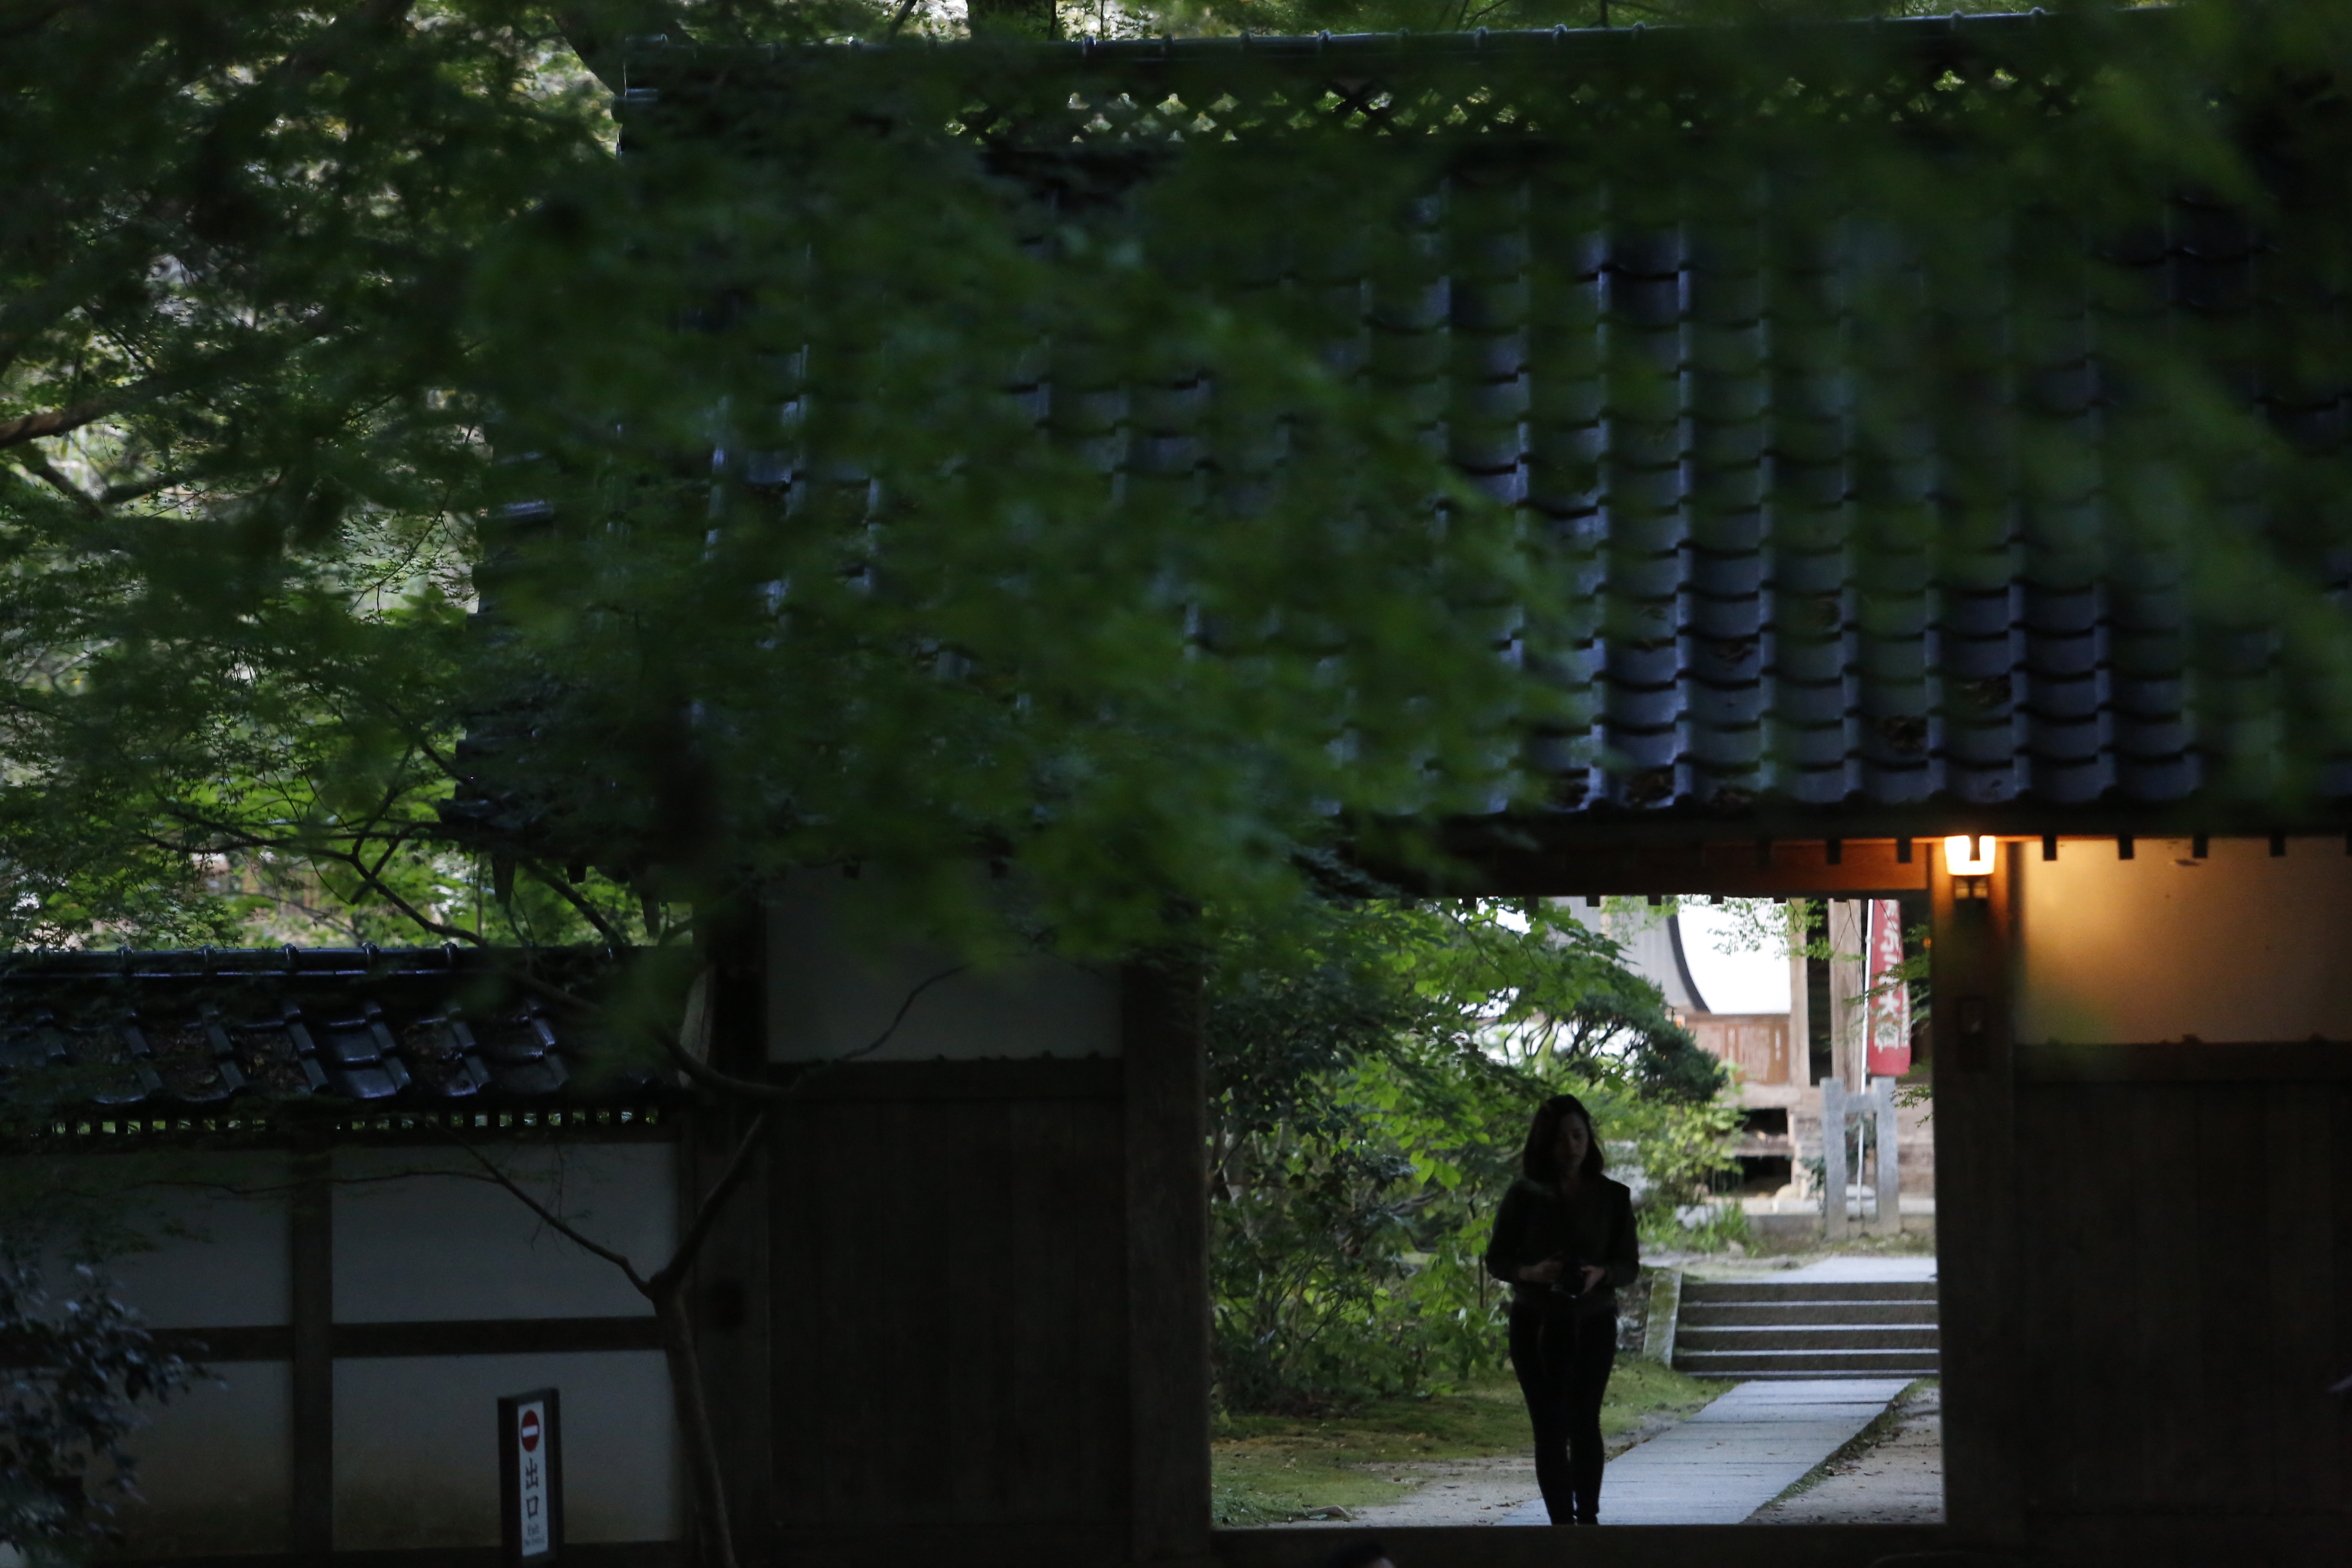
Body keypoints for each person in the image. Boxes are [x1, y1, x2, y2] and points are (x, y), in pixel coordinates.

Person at [1483, 1092, 1640, 1526]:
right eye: (1561, 1139)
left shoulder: (1613, 1197)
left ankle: (1587, 1520)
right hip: (1535, 1322)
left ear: (1589, 1138)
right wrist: (1533, 1272)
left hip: (1592, 1322)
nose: (1571, 1147)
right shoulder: (1523, 1196)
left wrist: (1599, 1274)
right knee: (1549, 1425)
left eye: (1578, 1136)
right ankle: (1560, 1525)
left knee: (1585, 1420)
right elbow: (1497, 1258)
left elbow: (1629, 1263)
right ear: (1544, 1144)